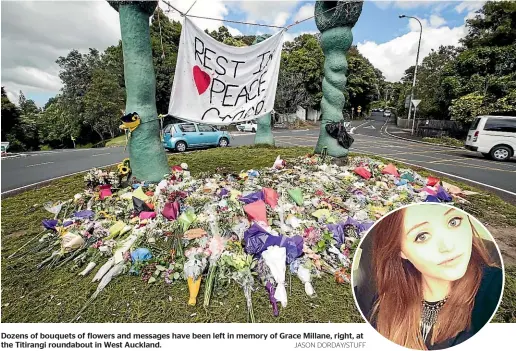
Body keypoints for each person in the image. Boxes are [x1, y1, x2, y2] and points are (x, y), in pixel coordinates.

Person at [364, 204, 502, 350]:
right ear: (400, 250)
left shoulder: (493, 289)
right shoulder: (386, 303)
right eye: (422, 236)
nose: (448, 246)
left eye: (454, 222)